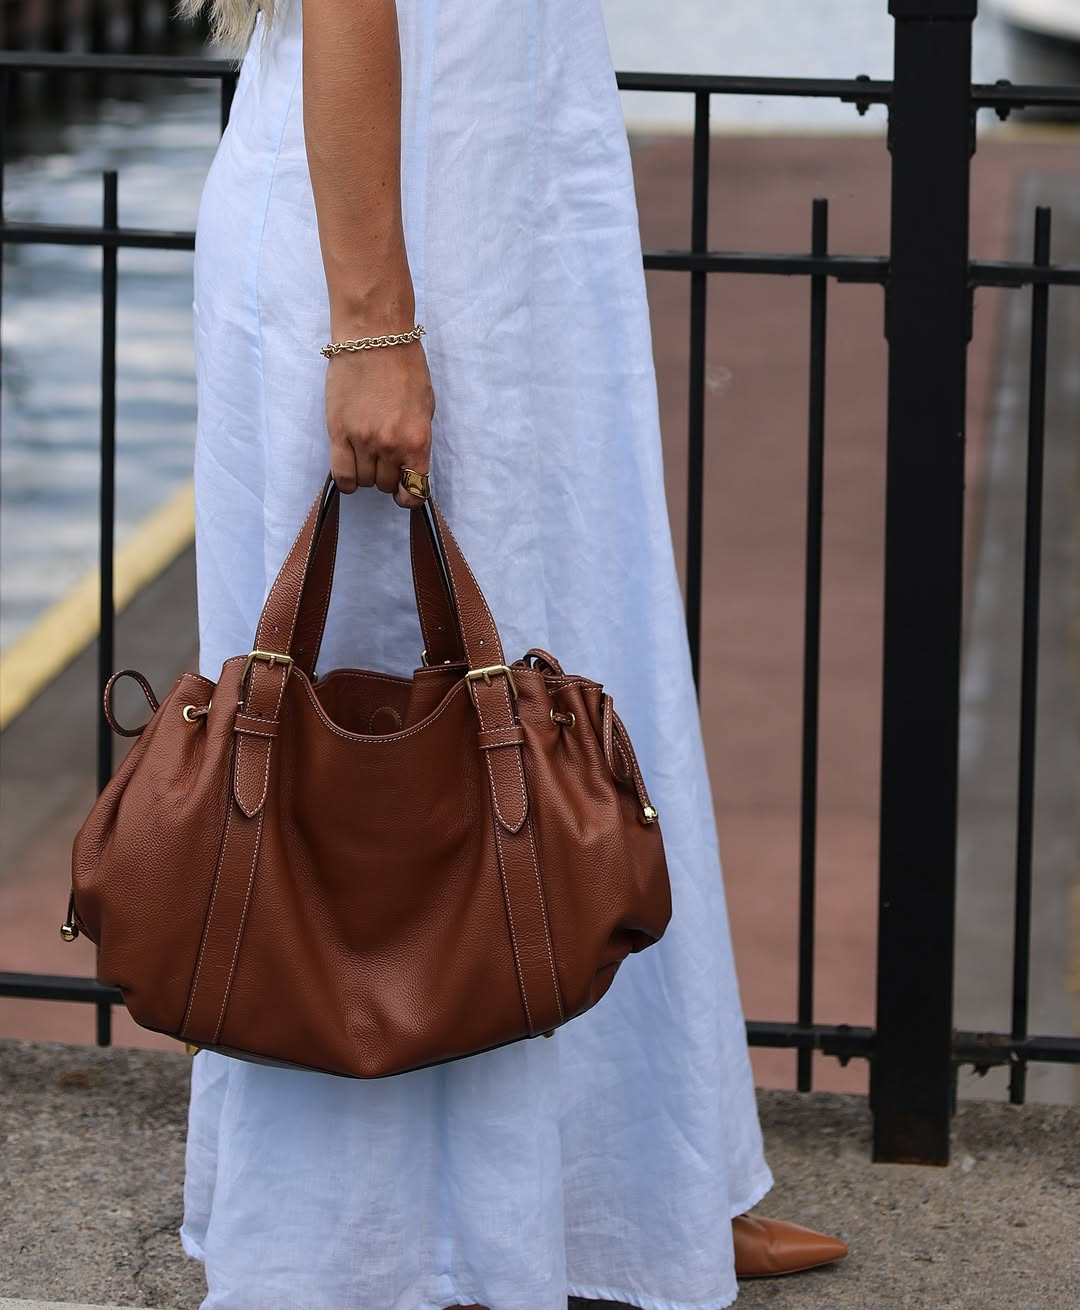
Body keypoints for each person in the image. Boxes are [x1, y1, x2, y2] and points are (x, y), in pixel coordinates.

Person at [178, 2, 848, 1307]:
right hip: (405, 246)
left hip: (508, 245)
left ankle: (628, 1195)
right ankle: (372, 1241)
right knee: (383, 750)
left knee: (574, 703)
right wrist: (373, 324)